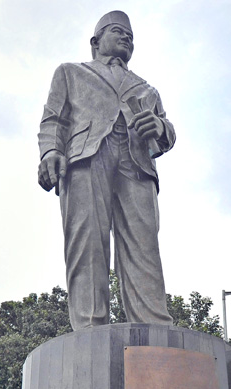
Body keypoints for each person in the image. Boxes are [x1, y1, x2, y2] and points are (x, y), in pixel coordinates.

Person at [38, 10, 175, 331]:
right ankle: (89, 326)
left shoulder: (147, 88)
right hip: (85, 156)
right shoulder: (71, 73)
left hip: (137, 163)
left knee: (144, 244)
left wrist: (158, 125)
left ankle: (154, 324)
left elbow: (167, 130)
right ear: (95, 42)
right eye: (117, 31)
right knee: (86, 241)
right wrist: (50, 151)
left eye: (130, 35)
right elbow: (53, 118)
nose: (126, 37)